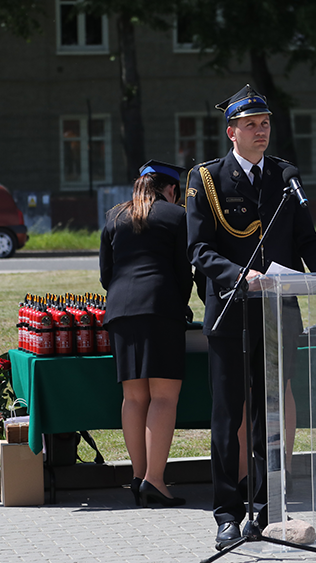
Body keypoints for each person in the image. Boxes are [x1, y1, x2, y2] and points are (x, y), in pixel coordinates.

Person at [186, 85, 316, 548]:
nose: (261, 131)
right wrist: (240, 274)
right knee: (227, 413)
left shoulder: (284, 177)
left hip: (279, 312)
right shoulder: (207, 179)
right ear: (231, 131)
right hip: (232, 311)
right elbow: (198, 248)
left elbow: (305, 239)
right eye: (251, 124)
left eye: (266, 123)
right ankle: (227, 513)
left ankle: (267, 506)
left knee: (269, 416)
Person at [100, 160, 194, 508]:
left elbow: (105, 273)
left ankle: (139, 477)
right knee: (164, 397)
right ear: (170, 189)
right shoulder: (176, 216)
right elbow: (184, 273)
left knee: (134, 397)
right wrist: (179, 302)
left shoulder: (114, 217)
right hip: (160, 307)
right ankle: (155, 480)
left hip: (121, 310)